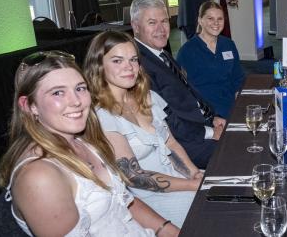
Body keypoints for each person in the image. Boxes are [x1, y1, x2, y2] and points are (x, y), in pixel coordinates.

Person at [0, 51, 178, 236]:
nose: (76, 101)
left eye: (80, 88)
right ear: (29, 106)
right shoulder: (39, 176)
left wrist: (168, 229)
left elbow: (124, 204)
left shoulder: (84, 141)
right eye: (58, 93)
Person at [84, 31, 200, 227]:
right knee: (211, 212)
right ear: (99, 66)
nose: (129, 67)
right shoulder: (102, 115)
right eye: (117, 61)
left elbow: (170, 143)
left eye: (133, 59)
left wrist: (193, 172)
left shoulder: (148, 97)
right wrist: (191, 186)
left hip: (178, 179)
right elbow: (134, 176)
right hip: (148, 198)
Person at [130, 0, 225, 169]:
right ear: (136, 27)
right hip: (184, 142)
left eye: (164, 21)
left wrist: (211, 118)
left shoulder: (160, 53)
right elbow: (166, 121)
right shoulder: (137, 64)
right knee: (241, 153)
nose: (161, 29)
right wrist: (210, 133)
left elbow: (187, 91)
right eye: (152, 22)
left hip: (199, 124)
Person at [177, 2, 245, 118]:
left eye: (220, 19)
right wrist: (207, 115)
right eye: (210, 18)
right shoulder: (187, 51)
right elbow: (182, 90)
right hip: (205, 112)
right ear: (200, 20)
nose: (216, 23)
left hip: (231, 105)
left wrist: (239, 97)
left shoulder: (228, 44)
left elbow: (237, 76)